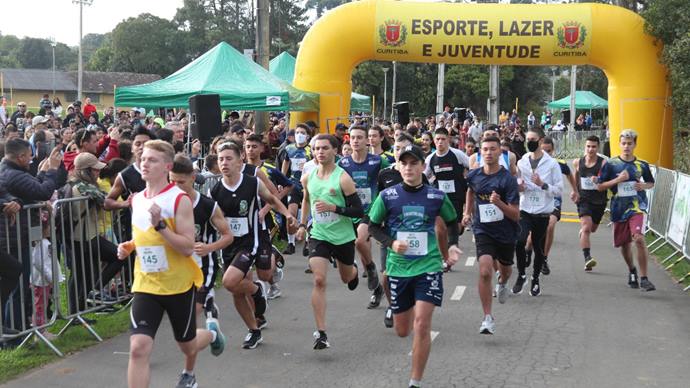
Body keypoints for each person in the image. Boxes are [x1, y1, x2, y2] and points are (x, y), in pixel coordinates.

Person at [117, 140, 225, 388]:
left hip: (178, 286)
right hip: (146, 284)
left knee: (186, 345)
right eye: (143, 158)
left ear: (167, 166)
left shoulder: (179, 200)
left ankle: (211, 334)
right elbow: (143, 235)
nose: (145, 163)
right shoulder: (138, 200)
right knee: (138, 348)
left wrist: (162, 227)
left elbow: (188, 247)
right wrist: (129, 246)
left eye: (152, 160)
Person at [369, 144, 461, 388]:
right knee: (402, 330)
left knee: (422, 323)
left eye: (414, 163)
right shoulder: (387, 196)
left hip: (428, 265)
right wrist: (391, 243)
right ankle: (402, 316)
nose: (409, 168)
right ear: (398, 167)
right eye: (404, 163)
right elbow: (373, 227)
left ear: (423, 166)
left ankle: (415, 382)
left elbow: (452, 222)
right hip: (398, 268)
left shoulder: (436, 196)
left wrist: (451, 246)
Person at [212, 142, 296, 349]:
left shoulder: (252, 183)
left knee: (242, 280)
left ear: (240, 160)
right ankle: (254, 330)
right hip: (230, 243)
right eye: (221, 159)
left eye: (229, 158)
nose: (224, 163)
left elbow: (272, 199)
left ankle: (259, 288)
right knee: (237, 289)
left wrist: (287, 215)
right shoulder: (216, 190)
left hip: (252, 240)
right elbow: (211, 216)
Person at [296, 134, 364, 349]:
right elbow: (306, 199)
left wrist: (334, 208)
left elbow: (358, 210)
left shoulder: (343, 178)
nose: (320, 152)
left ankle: (352, 270)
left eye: (325, 148)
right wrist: (301, 224)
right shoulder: (308, 177)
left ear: (335, 150)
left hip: (343, 237)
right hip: (319, 234)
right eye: (316, 148)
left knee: (346, 278)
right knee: (318, 280)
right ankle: (321, 332)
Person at [0, 139, 61, 331]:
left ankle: (15, 329)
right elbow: (42, 191)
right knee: (18, 287)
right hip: (13, 237)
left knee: (17, 284)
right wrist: (51, 171)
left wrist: (42, 173)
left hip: (16, 235)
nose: (31, 158)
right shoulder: (13, 174)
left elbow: (21, 191)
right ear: (20, 157)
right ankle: (15, 332)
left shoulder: (9, 171)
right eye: (29, 155)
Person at [463, 136, 519, 334]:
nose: (488, 153)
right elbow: (470, 190)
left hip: (506, 232)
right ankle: (487, 317)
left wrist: (499, 203)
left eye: (492, 149)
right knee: (485, 270)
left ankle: (503, 283)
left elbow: (515, 214)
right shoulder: (474, 175)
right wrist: (467, 212)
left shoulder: (508, 180)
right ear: (480, 153)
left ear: (500, 153)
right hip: (483, 229)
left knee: (505, 270)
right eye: (485, 149)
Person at [169, 154, 233, 323]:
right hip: (178, 264)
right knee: (183, 312)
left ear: (193, 178)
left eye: (181, 182)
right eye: (172, 181)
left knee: (193, 312)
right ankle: (209, 304)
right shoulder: (165, 203)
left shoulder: (207, 205)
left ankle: (209, 310)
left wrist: (209, 248)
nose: (176, 187)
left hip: (203, 264)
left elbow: (228, 236)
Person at [597, 129, 655, 291]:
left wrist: (643, 185)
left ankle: (644, 278)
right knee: (624, 244)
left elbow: (651, 182)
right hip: (618, 209)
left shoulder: (641, 165)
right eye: (624, 143)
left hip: (637, 206)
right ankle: (632, 270)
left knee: (639, 239)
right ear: (619, 144)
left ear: (635, 145)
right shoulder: (611, 164)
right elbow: (600, 186)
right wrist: (618, 179)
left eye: (630, 144)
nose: (626, 147)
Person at [337, 125, 389, 308]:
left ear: (367, 140)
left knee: (360, 241)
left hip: (371, 210)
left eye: (360, 137)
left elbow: (389, 180)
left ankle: (371, 269)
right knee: (354, 250)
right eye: (353, 138)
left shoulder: (377, 161)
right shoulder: (343, 164)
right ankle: (376, 289)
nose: (356, 141)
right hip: (350, 211)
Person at [512, 128, 563, 296]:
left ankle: (535, 278)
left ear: (541, 141)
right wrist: (519, 187)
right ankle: (521, 275)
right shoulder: (522, 161)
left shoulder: (552, 164)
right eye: (528, 139)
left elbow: (559, 190)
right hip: (525, 209)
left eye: (533, 139)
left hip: (542, 212)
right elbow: (518, 183)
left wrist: (543, 184)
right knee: (520, 242)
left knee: (538, 246)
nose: (529, 142)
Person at [536, 137, 578, 275]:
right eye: (543, 150)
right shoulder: (532, 163)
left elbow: (570, 175)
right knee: (533, 235)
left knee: (550, 225)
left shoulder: (559, 163)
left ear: (553, 150)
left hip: (554, 200)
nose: (546, 153)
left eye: (549, 151)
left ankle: (545, 258)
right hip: (537, 201)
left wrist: (575, 190)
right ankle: (529, 253)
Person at [571, 135, 608, 271]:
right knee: (586, 227)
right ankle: (587, 258)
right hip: (584, 199)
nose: (590, 149)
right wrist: (575, 190)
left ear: (597, 148)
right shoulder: (577, 162)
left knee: (592, 229)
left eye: (593, 147)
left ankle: (584, 233)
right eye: (588, 146)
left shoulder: (603, 163)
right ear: (584, 147)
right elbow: (575, 175)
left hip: (599, 200)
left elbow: (606, 181)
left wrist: (598, 180)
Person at [280, 124, 311, 255]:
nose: (299, 135)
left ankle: (309, 243)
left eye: (302, 132)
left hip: (308, 185)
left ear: (308, 136)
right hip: (294, 185)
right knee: (290, 214)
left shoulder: (312, 149)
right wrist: (282, 178)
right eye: (297, 132)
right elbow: (286, 162)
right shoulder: (289, 148)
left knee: (309, 216)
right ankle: (291, 243)